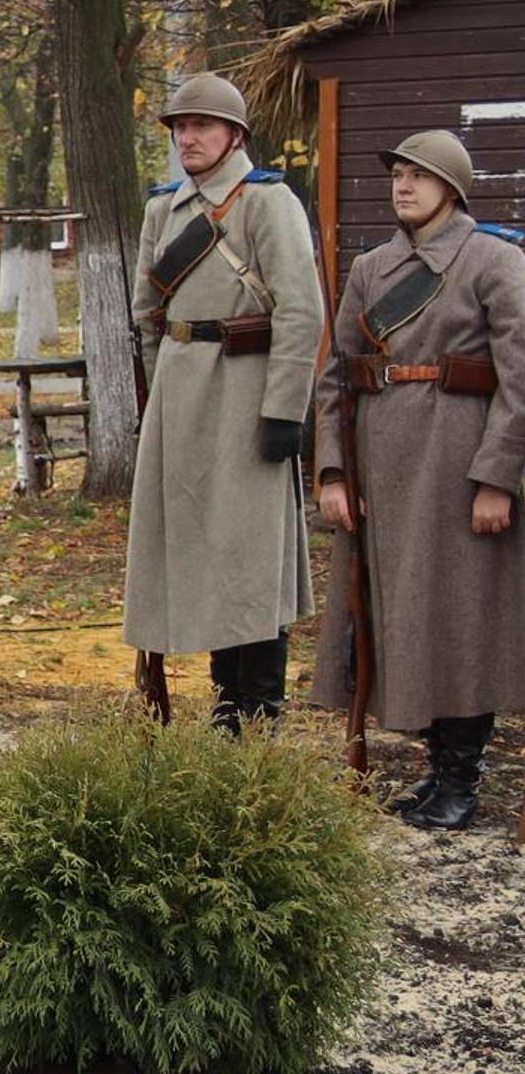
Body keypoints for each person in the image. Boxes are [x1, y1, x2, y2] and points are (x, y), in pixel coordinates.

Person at [312, 129, 525, 829]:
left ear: (452, 189)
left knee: (460, 621)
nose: (403, 185)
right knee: (404, 621)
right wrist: (335, 470)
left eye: (419, 176)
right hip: (382, 470)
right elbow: (337, 376)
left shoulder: (494, 261)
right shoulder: (372, 269)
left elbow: (520, 381)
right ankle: (436, 771)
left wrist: (498, 476)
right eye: (398, 174)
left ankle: (461, 777)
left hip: (456, 467)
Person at [125, 71, 323, 729]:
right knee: (202, 552)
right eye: (180, 127)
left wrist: (283, 411)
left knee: (248, 556)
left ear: (235, 134)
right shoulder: (163, 207)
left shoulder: (268, 203)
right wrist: (161, 395)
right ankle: (223, 706)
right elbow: (147, 313)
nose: (189, 137)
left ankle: (260, 707)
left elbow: (301, 311)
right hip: (183, 397)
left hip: (247, 393)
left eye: (202, 125)